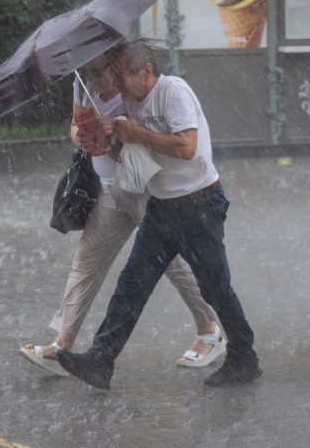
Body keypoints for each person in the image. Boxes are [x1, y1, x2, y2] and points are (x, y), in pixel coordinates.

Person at [57, 41, 261, 389]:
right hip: (161, 209)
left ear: (146, 71)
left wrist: (136, 132)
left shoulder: (173, 91)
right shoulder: (130, 104)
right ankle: (101, 360)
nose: (117, 87)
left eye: (122, 77)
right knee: (131, 286)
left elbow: (186, 146)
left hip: (199, 205)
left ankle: (244, 357)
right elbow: (132, 157)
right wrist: (108, 139)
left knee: (215, 288)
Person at [20, 51, 226, 377]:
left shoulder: (132, 86)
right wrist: (81, 136)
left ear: (115, 67)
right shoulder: (83, 85)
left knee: (173, 265)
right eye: (86, 74)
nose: (92, 81)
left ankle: (210, 329)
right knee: (88, 261)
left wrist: (115, 130)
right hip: (109, 187)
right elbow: (76, 125)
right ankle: (63, 344)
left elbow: (154, 134)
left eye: (97, 72)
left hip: (145, 187)